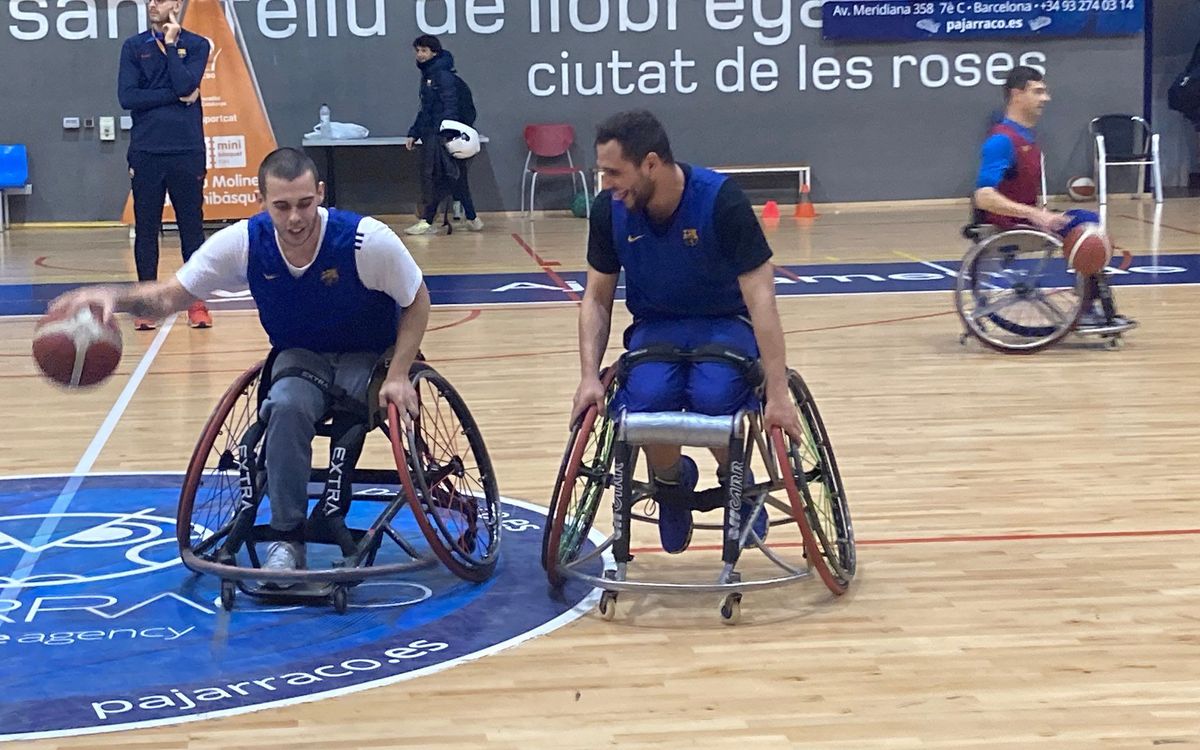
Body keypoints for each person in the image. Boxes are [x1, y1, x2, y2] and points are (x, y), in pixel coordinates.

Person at [48, 148, 431, 580]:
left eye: (305, 203)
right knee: (284, 406)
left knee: (352, 411)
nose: (295, 218)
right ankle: (287, 537)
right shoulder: (245, 243)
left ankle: (330, 511)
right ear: (260, 200)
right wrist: (111, 296)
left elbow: (417, 300)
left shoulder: (365, 241)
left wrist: (399, 373)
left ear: (321, 194)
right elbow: (170, 297)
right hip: (301, 354)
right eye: (281, 206)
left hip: (369, 354)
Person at [571, 110, 803, 554]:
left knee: (715, 394)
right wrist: (587, 377)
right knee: (647, 398)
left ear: (651, 163)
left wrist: (777, 394)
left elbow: (762, 301)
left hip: (725, 324)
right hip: (656, 327)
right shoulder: (609, 211)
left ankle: (736, 481)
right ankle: (671, 485)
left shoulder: (721, 201)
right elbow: (596, 299)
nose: (607, 184)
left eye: (615, 173)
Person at [973, 66, 1128, 329]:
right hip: (1008, 225)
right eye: (1038, 91)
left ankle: (1091, 302)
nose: (1046, 98)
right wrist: (1036, 214)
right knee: (1087, 231)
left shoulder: (1026, 136)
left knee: (1089, 221)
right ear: (1017, 95)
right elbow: (984, 196)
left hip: (1023, 220)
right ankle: (1086, 309)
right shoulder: (1002, 140)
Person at [117, 0, 212, 330]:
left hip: (186, 150)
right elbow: (128, 97)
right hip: (147, 151)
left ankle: (196, 303)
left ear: (177, 3)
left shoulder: (197, 45)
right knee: (146, 229)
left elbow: (186, 84)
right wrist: (175, 97)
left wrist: (171, 46)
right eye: (149, 0)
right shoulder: (133, 47)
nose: (152, 4)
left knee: (191, 228)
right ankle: (147, 304)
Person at [402, 34, 483, 236]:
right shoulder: (429, 75)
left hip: (443, 136)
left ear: (434, 53)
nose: (419, 55)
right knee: (455, 178)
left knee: (437, 178)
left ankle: (427, 221)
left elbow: (450, 106)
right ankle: (472, 219)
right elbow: (426, 109)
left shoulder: (442, 76)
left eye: (424, 50)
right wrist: (414, 132)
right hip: (435, 134)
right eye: (417, 50)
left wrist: (448, 135)